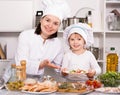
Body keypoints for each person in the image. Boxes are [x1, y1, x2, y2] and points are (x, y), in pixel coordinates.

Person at [2, 0, 71, 81]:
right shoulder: (25, 35)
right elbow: (20, 64)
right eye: (47, 20)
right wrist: (41, 65)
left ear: (59, 26)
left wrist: (66, 71)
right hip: (14, 80)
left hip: (36, 83)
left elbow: (59, 68)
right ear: (41, 20)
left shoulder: (57, 44)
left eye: (55, 23)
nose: (50, 25)